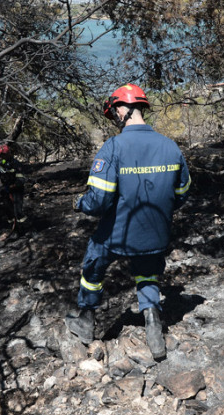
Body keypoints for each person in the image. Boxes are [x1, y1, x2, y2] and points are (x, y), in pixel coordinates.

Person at [66, 83, 191, 360]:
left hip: (118, 236)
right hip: (156, 234)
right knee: (147, 271)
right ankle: (153, 328)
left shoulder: (113, 147)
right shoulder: (170, 147)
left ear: (123, 109)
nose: (114, 120)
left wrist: (79, 203)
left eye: (113, 114)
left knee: (94, 261)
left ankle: (86, 321)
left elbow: (98, 200)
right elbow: (181, 193)